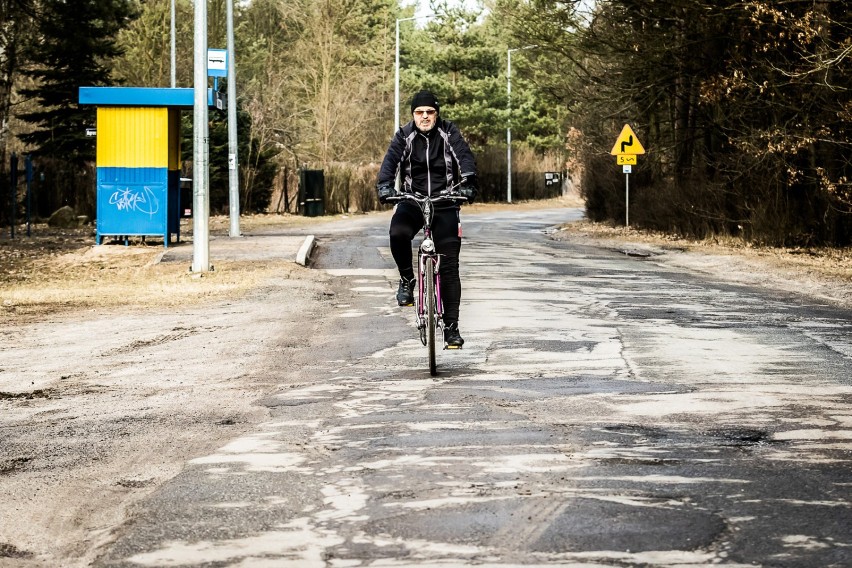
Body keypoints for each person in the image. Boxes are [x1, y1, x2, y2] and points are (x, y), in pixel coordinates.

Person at [376, 89, 478, 348]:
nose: (424, 117)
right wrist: (385, 186)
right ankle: (408, 279)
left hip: (445, 201)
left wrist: (468, 181)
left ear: (437, 113)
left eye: (429, 112)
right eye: (419, 112)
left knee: (449, 266)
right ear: (413, 114)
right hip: (413, 200)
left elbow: (464, 157)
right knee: (397, 233)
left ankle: (452, 328)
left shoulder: (448, 132)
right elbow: (390, 163)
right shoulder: (404, 135)